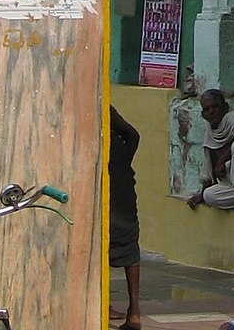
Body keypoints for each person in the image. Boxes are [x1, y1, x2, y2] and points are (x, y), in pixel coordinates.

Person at [109, 106, 142, 330]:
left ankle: (132, 311)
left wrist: (117, 167)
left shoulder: (102, 109)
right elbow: (132, 135)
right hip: (120, 178)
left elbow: (133, 135)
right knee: (127, 239)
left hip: (114, 180)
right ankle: (134, 310)